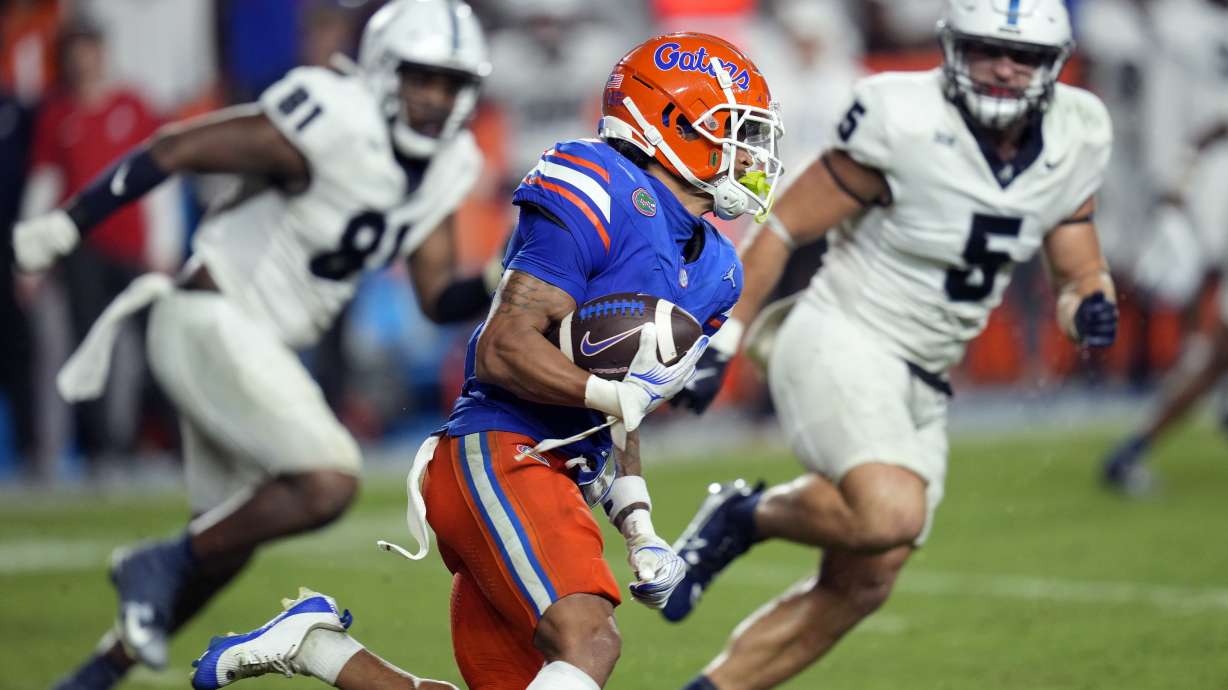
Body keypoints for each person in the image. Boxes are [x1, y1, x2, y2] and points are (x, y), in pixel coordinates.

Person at [188, 31, 782, 690]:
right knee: (589, 644)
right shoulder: (598, 182)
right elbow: (503, 349)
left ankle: (320, 649)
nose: (754, 154)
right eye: (738, 131)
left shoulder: (719, 269)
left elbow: (619, 399)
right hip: (502, 450)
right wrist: (615, 399)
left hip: (564, 472)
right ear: (671, 122)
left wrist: (638, 526)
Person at [13, 2, 494, 688]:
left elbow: (438, 296)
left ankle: (94, 673)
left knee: (225, 542)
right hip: (209, 316)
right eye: (423, 78)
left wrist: (497, 274)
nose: (435, 98)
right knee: (329, 477)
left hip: (250, 344)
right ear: (385, 69)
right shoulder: (333, 117)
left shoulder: (448, 164)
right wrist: (68, 224)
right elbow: (178, 147)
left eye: (450, 84)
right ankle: (154, 563)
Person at [665, 2, 1117, 689]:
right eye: (986, 49)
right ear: (952, 50)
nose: (1002, 68)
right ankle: (749, 515)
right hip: (842, 331)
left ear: (1052, 66)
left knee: (868, 579)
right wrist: (725, 338)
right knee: (890, 513)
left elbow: (1077, 263)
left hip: (926, 375)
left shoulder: (1078, 132)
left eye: (1021, 55)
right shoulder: (901, 116)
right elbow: (786, 225)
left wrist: (1087, 303)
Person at [1101, 0, 1228, 494]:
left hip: (1197, 176)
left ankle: (1133, 448)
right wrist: (1173, 185)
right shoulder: (1180, 28)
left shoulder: (1180, 26)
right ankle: (1134, 446)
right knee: (1213, 342)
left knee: (1214, 346)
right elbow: (1187, 119)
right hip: (1206, 176)